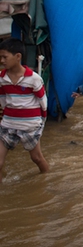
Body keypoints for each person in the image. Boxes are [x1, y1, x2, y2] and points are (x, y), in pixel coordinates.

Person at [0, 38, 50, 183]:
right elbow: (2, 99)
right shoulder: (2, 78)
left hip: (29, 125)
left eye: (5, 57)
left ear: (18, 57)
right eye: (0, 57)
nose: (2, 60)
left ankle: (47, 180)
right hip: (8, 124)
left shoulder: (34, 79)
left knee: (36, 158)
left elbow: (43, 102)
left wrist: (40, 122)